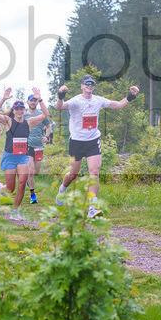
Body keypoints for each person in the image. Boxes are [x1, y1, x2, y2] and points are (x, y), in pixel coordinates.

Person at [54, 75, 139, 218]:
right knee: (73, 174)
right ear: (82, 86)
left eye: (92, 83)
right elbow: (59, 107)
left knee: (94, 172)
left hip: (93, 141)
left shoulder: (98, 100)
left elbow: (119, 105)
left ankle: (92, 208)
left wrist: (131, 95)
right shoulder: (76, 100)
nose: (90, 85)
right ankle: (63, 189)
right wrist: (61, 95)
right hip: (76, 141)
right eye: (87, 83)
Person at [0, 88, 51, 221]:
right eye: (16, 109)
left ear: (24, 110)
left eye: (21, 109)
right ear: (13, 110)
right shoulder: (8, 121)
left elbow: (46, 115)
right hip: (10, 157)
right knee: (11, 188)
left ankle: (15, 211)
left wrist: (40, 99)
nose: (19, 111)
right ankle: (1, 188)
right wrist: (4, 99)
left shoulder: (29, 122)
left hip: (23, 156)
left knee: (22, 183)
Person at [25, 92, 51, 204]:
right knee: (30, 172)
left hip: (39, 146)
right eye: (31, 100)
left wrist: (46, 136)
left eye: (35, 100)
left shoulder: (41, 114)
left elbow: (49, 127)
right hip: (27, 146)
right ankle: (33, 195)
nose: (33, 102)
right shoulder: (24, 115)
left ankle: (28, 180)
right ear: (28, 102)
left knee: (36, 172)